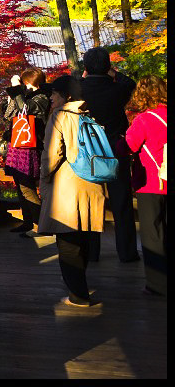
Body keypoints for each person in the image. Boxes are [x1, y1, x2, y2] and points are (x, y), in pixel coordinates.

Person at [38, 74, 106, 307]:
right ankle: (79, 286)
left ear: (66, 96)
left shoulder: (59, 116)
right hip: (91, 182)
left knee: (67, 241)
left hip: (67, 186)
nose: (51, 98)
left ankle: (78, 294)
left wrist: (43, 180)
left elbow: (51, 156)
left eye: (54, 94)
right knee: (83, 237)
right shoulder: (88, 114)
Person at [79, 47, 139, 263]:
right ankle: (127, 252)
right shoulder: (117, 90)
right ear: (107, 67)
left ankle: (91, 252)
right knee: (121, 201)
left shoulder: (80, 90)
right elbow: (131, 84)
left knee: (90, 201)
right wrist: (111, 72)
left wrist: (84, 74)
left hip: (88, 152)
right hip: (115, 148)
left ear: (85, 67)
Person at [125, 75, 167, 296]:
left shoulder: (144, 119)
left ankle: (158, 285)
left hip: (152, 183)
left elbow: (127, 146)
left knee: (153, 235)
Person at [1, 67, 50, 236]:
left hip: (29, 147)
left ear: (29, 81)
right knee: (20, 186)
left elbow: (26, 109)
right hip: (17, 144)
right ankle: (28, 221)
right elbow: (8, 115)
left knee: (27, 186)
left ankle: (40, 225)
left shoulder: (42, 97)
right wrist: (12, 97)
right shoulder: (24, 95)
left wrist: (16, 90)